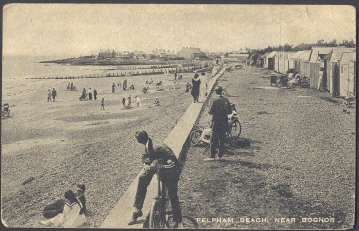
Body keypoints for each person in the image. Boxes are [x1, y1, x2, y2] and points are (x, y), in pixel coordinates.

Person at [128, 131, 183, 228]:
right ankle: (137, 210)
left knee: (172, 194)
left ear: (139, 141)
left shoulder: (157, 146)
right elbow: (144, 157)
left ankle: (178, 221)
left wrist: (158, 161)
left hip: (170, 168)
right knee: (142, 178)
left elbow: (171, 158)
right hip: (157, 165)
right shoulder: (148, 143)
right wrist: (151, 162)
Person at [205, 86, 232, 161]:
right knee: (222, 139)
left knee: (213, 139)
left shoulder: (214, 100)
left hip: (216, 122)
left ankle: (212, 156)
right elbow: (230, 112)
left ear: (216, 92)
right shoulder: (226, 100)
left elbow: (210, 112)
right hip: (224, 122)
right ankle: (220, 156)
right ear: (222, 92)